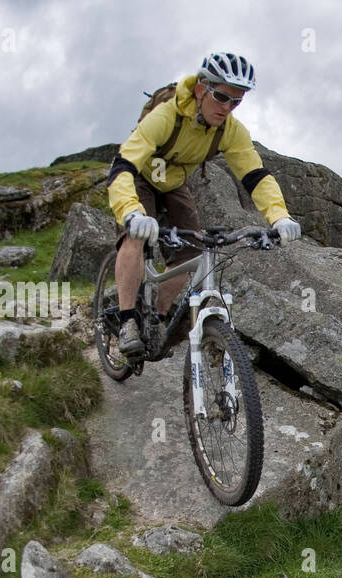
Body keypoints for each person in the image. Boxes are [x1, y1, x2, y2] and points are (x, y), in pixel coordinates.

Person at [106, 52, 301, 357]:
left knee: (193, 250)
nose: (227, 108)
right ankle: (128, 320)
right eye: (221, 97)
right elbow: (124, 165)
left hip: (173, 182)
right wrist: (131, 212)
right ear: (200, 89)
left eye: (236, 102)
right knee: (135, 236)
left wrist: (280, 217)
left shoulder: (230, 130)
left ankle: (156, 319)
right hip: (141, 176)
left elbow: (255, 175)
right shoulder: (166, 116)